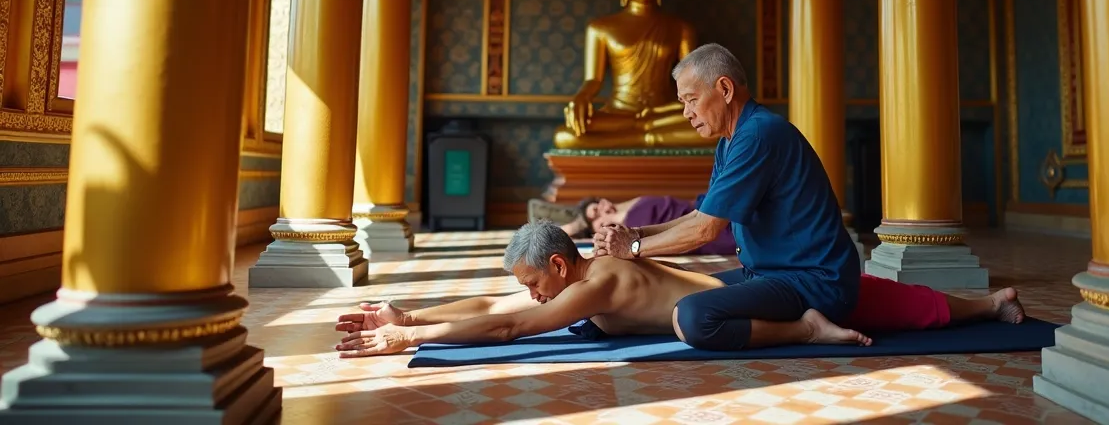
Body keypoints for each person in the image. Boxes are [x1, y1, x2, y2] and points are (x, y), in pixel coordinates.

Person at [335, 221, 1027, 358]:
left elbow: (512, 328)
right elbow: (495, 306)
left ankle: (991, 305)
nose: (530, 295)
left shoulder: (597, 283)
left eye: (533, 282)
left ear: (558, 264)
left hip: (754, 288)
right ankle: (993, 304)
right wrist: (413, 311)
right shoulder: (571, 282)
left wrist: (410, 337)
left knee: (882, 305)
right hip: (737, 286)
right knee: (882, 300)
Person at [592, 43, 864, 351]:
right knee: (670, 282)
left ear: (724, 88)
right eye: (683, 103)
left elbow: (705, 230)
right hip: (765, 276)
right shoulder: (730, 141)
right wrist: (637, 234)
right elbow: (701, 214)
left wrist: (634, 248)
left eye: (692, 100)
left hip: (815, 283)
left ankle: (808, 329)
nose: (686, 113)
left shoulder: (759, 135)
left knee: (694, 315)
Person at [567, 195, 738, 255]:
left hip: (704, 209)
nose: (603, 210)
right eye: (596, 216)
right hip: (700, 229)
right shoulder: (625, 223)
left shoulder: (631, 206)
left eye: (597, 206)